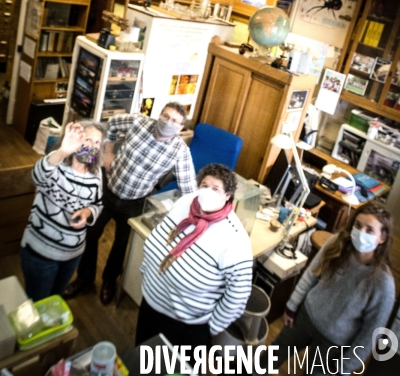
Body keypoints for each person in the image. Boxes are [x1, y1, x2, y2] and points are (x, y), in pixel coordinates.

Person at [64, 102, 197, 305]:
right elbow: (112, 124)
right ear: (159, 115)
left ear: (180, 128)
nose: (168, 123)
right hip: (107, 189)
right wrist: (108, 152)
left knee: (121, 243)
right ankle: (84, 277)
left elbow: (189, 190)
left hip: (135, 202)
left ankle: (110, 280)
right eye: (165, 116)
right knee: (90, 233)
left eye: (174, 121)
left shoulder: (180, 151)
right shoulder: (139, 122)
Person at [255, 201, 395, 375]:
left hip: (334, 342)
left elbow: (371, 331)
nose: (361, 233)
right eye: (358, 225)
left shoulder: (383, 284)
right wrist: (292, 306)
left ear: (382, 238)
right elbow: (312, 274)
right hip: (306, 316)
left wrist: (347, 364)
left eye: (370, 230)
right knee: (269, 358)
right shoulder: (338, 243)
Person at [135, 163, 253, 363]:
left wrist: (211, 328)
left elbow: (238, 295)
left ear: (227, 196)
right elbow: (161, 235)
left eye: (215, 189)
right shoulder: (187, 202)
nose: (207, 192)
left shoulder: (235, 239)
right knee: (140, 362)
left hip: (184, 328)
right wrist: (147, 275)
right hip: (150, 307)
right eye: (204, 185)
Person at [20, 121, 105, 302]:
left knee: (54, 300)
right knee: (37, 302)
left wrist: (88, 212)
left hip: (72, 255)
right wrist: (63, 151)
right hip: (41, 254)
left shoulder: (96, 174)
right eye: (88, 139)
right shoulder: (56, 164)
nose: (92, 145)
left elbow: (97, 203)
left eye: (97, 143)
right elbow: (36, 177)